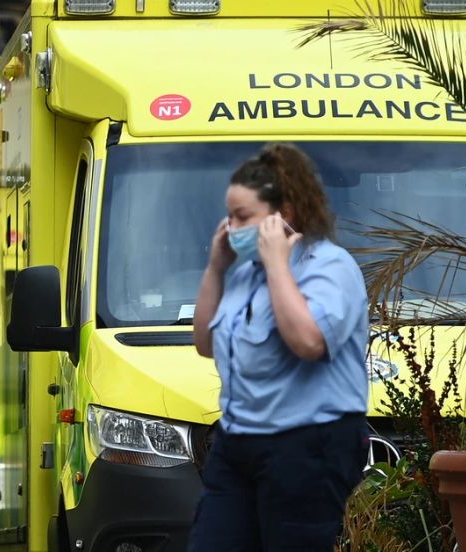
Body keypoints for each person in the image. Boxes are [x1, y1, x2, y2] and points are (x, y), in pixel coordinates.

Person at [190, 143, 370, 551]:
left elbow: (307, 341)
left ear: (283, 214)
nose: (231, 228)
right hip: (239, 444)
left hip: (306, 446)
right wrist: (217, 268)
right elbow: (206, 343)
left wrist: (276, 265)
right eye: (229, 217)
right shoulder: (243, 275)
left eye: (242, 217)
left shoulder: (329, 267)